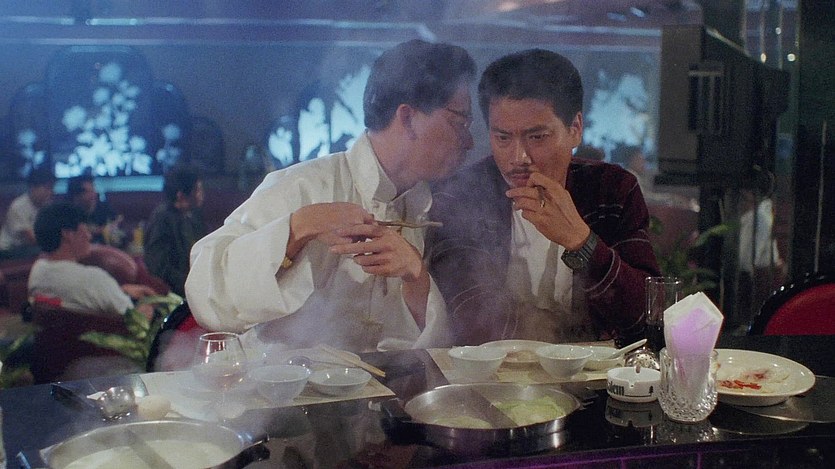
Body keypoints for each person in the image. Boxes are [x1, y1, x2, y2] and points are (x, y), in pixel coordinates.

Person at [185, 39, 476, 354]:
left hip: (374, 383)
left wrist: (416, 277)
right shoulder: (304, 185)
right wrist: (298, 227)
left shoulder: (419, 206)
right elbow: (206, 293)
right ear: (407, 119)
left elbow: (424, 349)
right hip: (280, 381)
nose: (469, 141)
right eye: (459, 122)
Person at [426, 49, 660, 346]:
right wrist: (565, 340)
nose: (519, 157)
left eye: (537, 137)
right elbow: (470, 317)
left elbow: (648, 314)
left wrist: (582, 242)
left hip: (600, 373)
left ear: (575, 129)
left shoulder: (612, 190)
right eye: (503, 138)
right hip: (497, 370)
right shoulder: (462, 195)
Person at [27, 202, 155, 317]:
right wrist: (150, 305)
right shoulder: (94, 278)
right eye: (85, 230)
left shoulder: (38, 270)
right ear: (68, 234)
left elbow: (74, 296)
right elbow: (135, 320)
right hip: (110, 335)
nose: (89, 236)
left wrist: (120, 291)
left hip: (60, 335)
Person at [144, 165, 207, 296]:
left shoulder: (194, 217)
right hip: (175, 294)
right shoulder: (162, 220)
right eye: (197, 190)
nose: (202, 194)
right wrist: (193, 286)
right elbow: (159, 267)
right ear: (181, 195)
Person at [0, 167, 56, 258]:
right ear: (33, 187)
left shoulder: (47, 205)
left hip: (29, 247)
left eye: (51, 188)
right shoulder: (18, 206)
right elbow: (31, 238)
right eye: (47, 188)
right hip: (9, 249)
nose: (50, 192)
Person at [66, 174, 121, 245]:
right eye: (88, 192)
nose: (94, 194)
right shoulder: (66, 213)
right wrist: (100, 230)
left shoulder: (103, 207)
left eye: (93, 190)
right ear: (76, 196)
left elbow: (117, 221)